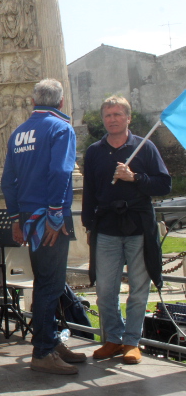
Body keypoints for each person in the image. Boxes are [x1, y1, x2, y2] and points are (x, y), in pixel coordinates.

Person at [1, 79, 85, 375]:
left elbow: (8, 180)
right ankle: (43, 351)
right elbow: (61, 171)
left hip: (26, 216)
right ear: (61, 102)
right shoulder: (61, 128)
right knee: (50, 284)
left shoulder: (19, 133)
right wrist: (54, 216)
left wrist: (14, 219)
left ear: (33, 101)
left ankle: (49, 339)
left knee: (47, 282)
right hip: (50, 219)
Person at [82, 96, 171, 364]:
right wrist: (88, 225)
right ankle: (113, 338)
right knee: (105, 289)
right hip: (107, 227)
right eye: (108, 115)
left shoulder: (145, 147)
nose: (112, 119)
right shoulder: (95, 152)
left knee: (138, 288)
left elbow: (163, 185)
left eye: (118, 114)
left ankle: (132, 342)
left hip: (139, 227)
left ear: (128, 118)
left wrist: (136, 178)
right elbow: (89, 193)